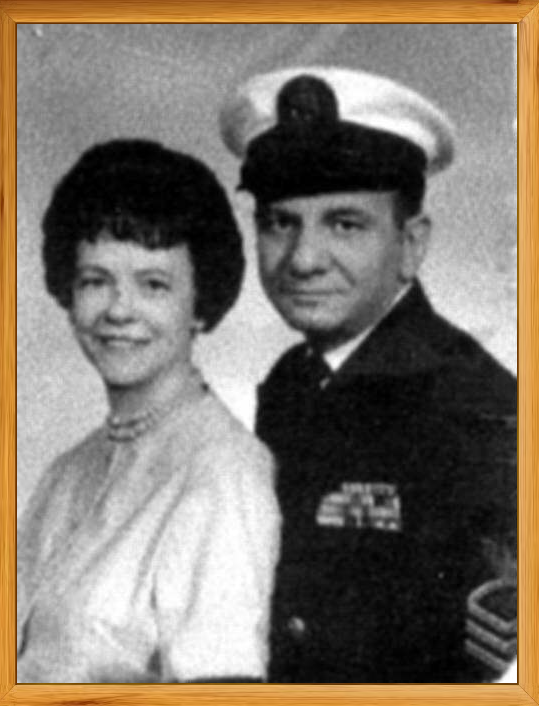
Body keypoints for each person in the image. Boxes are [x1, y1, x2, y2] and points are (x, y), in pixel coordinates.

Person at [220, 67, 517, 683]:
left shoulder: (477, 407)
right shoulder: (293, 380)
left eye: (345, 224)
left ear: (411, 244)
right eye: (280, 222)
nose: (303, 259)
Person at [17, 139, 280, 683]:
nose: (118, 310)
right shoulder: (66, 473)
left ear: (199, 304)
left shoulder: (223, 472)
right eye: (95, 281)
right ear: (68, 293)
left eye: (153, 285)